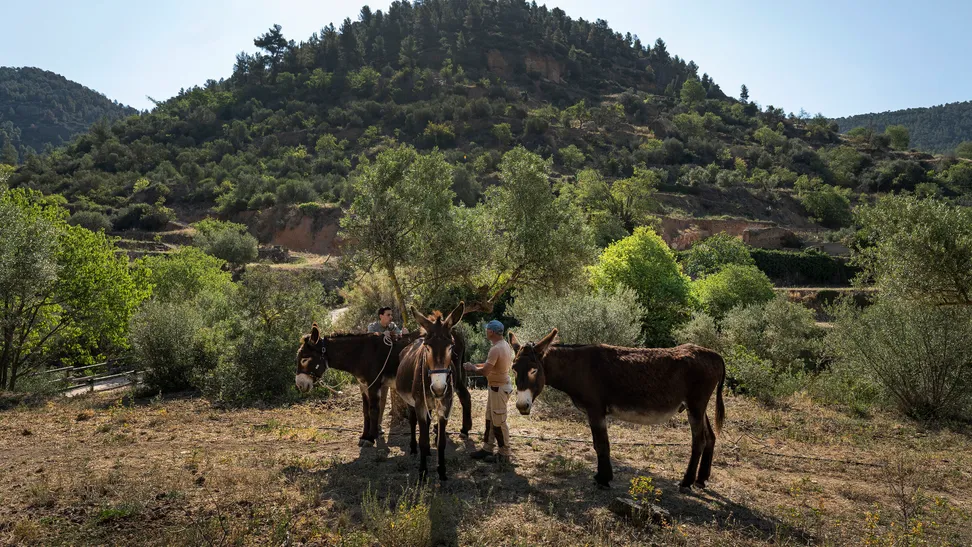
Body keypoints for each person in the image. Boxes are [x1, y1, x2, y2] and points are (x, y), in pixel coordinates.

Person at [464, 320, 514, 463]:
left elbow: (485, 371)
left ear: (491, 332)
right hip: (497, 388)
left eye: (487, 330)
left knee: (499, 421)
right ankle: (487, 448)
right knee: (490, 419)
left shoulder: (496, 348)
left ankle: (504, 454)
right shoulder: (503, 345)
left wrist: (471, 368)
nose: (486, 332)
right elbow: (489, 365)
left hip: (499, 388)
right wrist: (474, 365)